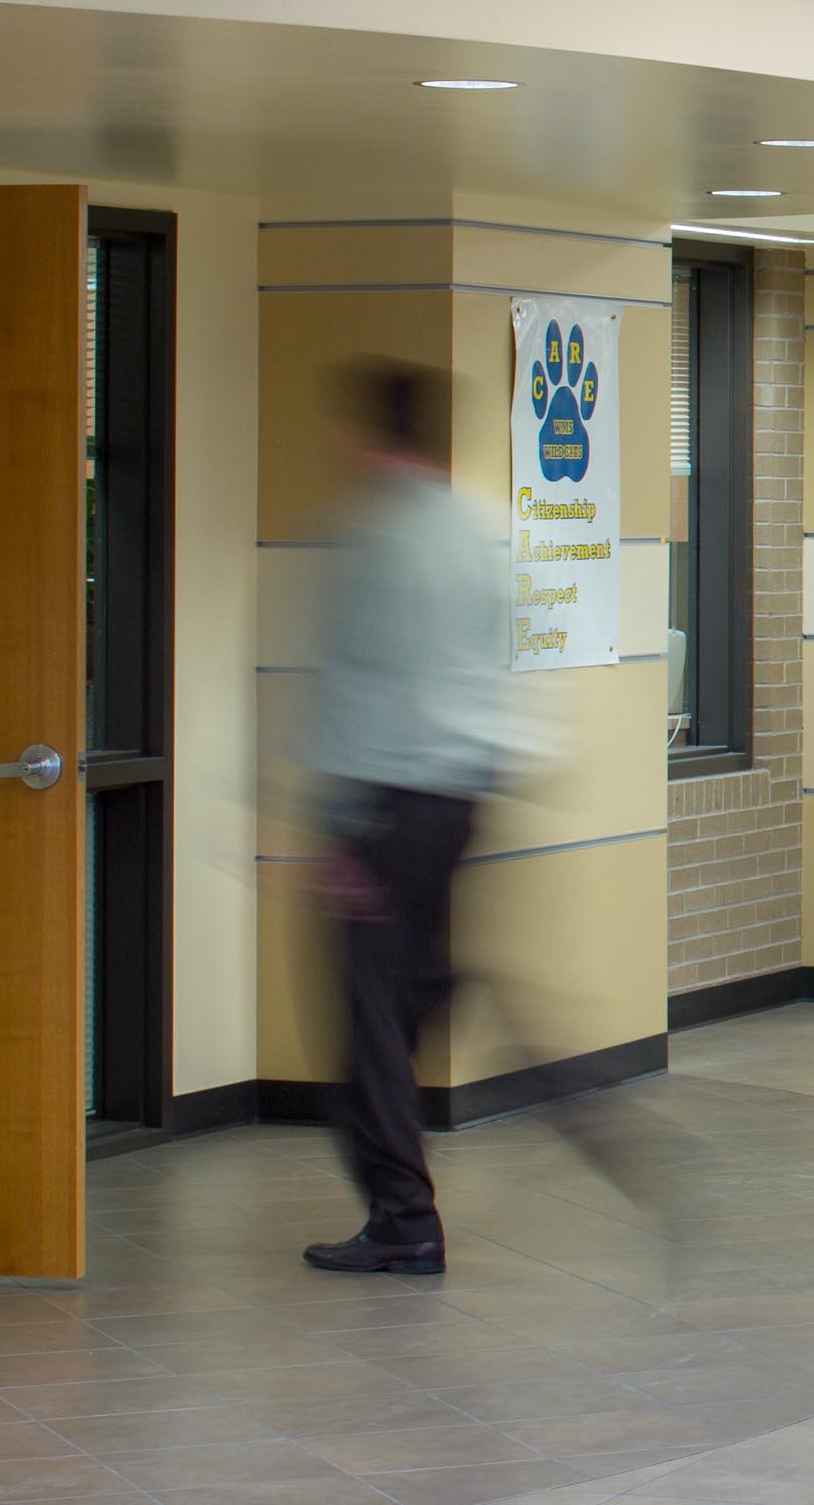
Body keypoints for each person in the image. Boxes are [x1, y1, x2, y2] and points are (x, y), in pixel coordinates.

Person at [302, 360, 523, 1277]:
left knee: (367, 1019)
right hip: (461, 793)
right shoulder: (482, 529)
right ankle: (445, 982)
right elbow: (503, 664)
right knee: (406, 984)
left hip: (389, 802)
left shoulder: (376, 538)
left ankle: (403, 1217)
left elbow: (358, 690)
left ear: (365, 437)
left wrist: (337, 830)